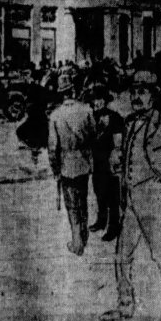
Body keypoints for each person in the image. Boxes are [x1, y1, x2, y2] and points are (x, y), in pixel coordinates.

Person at [103, 69, 161, 321]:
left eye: (142, 91)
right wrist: (115, 161)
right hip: (131, 199)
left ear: (154, 95)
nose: (136, 96)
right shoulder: (129, 123)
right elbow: (125, 156)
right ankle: (126, 303)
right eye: (133, 91)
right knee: (121, 254)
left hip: (153, 197)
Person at [47, 68, 96, 256]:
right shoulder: (86, 110)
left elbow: (53, 147)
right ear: (73, 91)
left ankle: (77, 243)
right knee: (82, 200)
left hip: (66, 166)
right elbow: (93, 135)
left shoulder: (55, 116)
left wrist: (55, 169)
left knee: (72, 206)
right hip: (83, 164)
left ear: (61, 93)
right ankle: (84, 236)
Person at [88, 83, 124, 242]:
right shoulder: (91, 117)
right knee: (99, 192)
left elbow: (118, 141)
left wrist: (115, 158)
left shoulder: (115, 117)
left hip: (110, 161)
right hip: (96, 161)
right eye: (94, 99)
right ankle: (101, 221)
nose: (96, 102)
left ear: (105, 100)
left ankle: (114, 227)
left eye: (99, 99)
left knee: (112, 196)